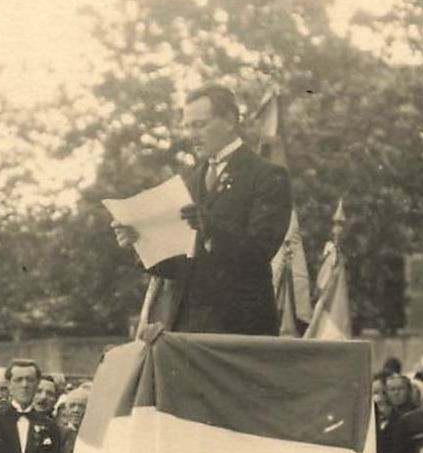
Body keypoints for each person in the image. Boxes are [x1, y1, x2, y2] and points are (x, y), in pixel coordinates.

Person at [112, 82, 293, 337]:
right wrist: (139, 241)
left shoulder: (266, 175)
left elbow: (261, 250)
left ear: (230, 120)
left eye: (199, 125)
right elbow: (181, 267)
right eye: (187, 126)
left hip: (241, 327)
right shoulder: (190, 181)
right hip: (187, 327)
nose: (191, 135)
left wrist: (211, 228)